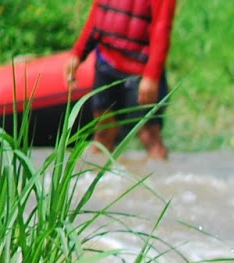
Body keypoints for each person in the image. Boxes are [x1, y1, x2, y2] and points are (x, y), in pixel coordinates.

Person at [64, 0, 177, 160]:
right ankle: (100, 182)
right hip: (106, 62)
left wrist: (152, 76)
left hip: (140, 69)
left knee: (149, 135)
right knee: (103, 133)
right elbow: (98, 12)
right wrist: (78, 52)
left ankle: (161, 182)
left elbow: (162, 26)